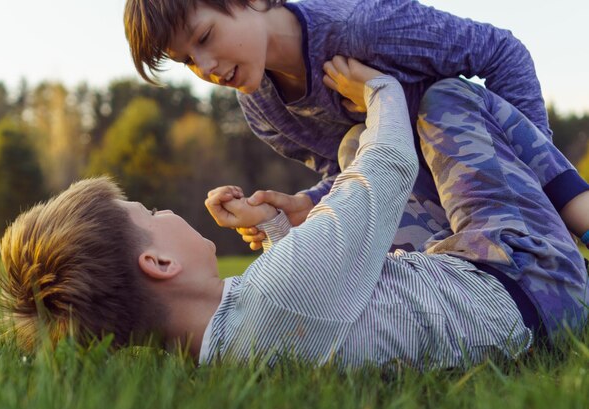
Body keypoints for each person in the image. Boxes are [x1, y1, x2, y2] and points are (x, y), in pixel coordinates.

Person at [0, 60, 587, 369]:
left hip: (472, 287)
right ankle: (579, 209)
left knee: (350, 150)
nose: (165, 208)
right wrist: (379, 90)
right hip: (531, 282)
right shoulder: (277, 296)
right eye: (148, 210)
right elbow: (387, 167)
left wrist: (279, 227)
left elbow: (325, 304)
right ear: (158, 261)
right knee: (443, 101)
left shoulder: (234, 340)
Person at [123, 0, 589, 253]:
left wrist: (533, 182)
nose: (205, 67)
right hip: (434, 213)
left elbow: (503, 52)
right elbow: (349, 174)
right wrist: (304, 204)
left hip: (485, 168)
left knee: (434, 102)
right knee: (353, 151)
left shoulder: (362, 26)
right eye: (186, 61)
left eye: (204, 37)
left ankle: (563, 226)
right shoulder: (263, 109)